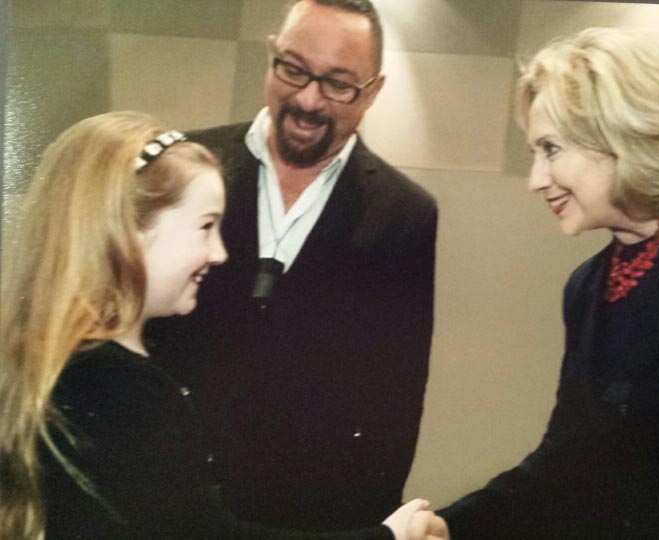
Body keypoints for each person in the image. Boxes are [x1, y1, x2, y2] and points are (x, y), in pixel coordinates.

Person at [0, 111, 448, 540]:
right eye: (206, 226)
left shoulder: (77, 364)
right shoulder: (120, 388)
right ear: (130, 233)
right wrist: (387, 537)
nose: (219, 253)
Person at [438, 27, 659, 540]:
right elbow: (567, 464)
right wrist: (449, 527)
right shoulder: (586, 289)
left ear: (621, 133)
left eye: (550, 149)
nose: (536, 178)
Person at [148, 0, 438, 531]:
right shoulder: (186, 164)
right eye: (294, 69)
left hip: (309, 519)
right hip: (169, 502)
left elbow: (395, 406)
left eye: (337, 83)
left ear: (372, 91)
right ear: (271, 56)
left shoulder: (407, 216)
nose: (308, 99)